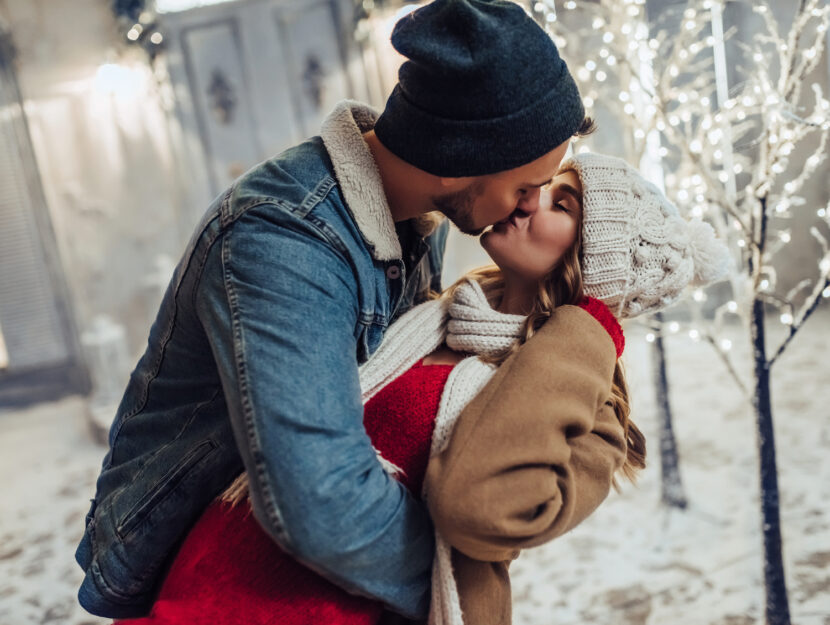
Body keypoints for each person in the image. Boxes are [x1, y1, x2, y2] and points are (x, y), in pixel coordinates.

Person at [75, 1, 598, 621]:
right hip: (201, 577)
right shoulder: (282, 241)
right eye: (524, 186)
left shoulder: (418, 221)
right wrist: (460, 586)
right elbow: (322, 502)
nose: (527, 206)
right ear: (461, 156)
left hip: (309, 584)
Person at [112, 152, 730, 625]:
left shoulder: (593, 428)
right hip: (205, 582)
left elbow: (476, 509)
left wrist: (586, 333)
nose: (528, 199)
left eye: (561, 204)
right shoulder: (427, 311)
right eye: (544, 186)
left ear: (593, 266)